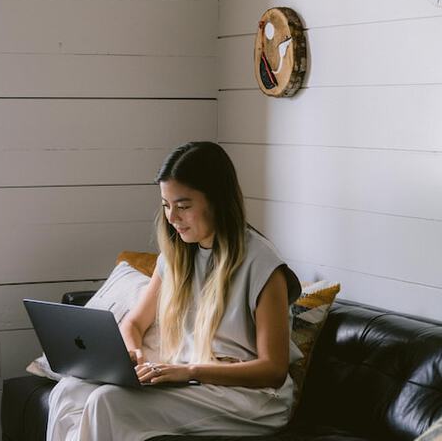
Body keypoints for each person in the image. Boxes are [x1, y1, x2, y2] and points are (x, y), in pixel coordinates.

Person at [47, 141, 302, 441]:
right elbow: (134, 323)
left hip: (251, 398)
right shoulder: (177, 256)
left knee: (107, 402)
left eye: (183, 206)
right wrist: (135, 355)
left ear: (217, 200)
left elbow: (272, 370)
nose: (171, 218)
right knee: (68, 391)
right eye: (166, 205)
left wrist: (190, 371)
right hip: (193, 383)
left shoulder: (262, 263)